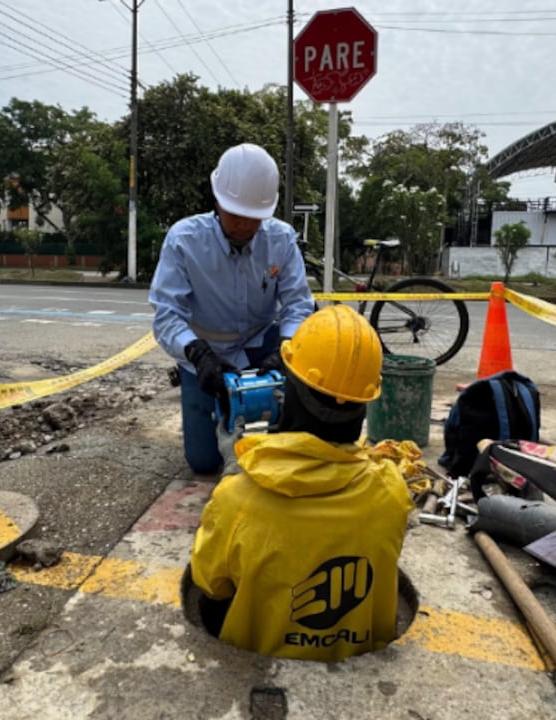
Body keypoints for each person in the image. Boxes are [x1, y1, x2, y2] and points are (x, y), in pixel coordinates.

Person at [188, 304, 415, 662]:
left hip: (259, 664)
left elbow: (209, 584)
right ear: (366, 402)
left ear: (289, 394)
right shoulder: (391, 489)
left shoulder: (237, 500)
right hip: (357, 662)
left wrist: (236, 469)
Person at [149, 143, 314, 474]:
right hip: (204, 353)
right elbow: (167, 314)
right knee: (204, 462)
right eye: (235, 214)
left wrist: (286, 347)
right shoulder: (184, 240)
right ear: (217, 201)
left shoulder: (281, 239)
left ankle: (280, 420)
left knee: (287, 438)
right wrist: (196, 352)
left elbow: (298, 304)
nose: (244, 226)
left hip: (260, 341)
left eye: (253, 218)